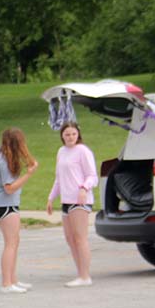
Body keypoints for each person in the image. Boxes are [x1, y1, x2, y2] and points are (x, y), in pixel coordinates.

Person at [0, 128, 38, 294]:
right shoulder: (5, 161)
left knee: (14, 241)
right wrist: (28, 174)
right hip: (6, 204)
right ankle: (7, 283)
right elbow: (9, 188)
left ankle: (13, 280)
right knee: (11, 243)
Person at [46, 121, 98, 287]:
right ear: (62, 135)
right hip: (66, 200)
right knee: (70, 239)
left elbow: (92, 176)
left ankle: (85, 276)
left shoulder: (83, 151)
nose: (70, 137)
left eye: (73, 134)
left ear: (78, 135)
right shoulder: (61, 152)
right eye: (67, 134)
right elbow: (58, 178)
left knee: (80, 238)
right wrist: (51, 198)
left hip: (80, 200)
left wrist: (84, 187)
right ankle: (80, 273)